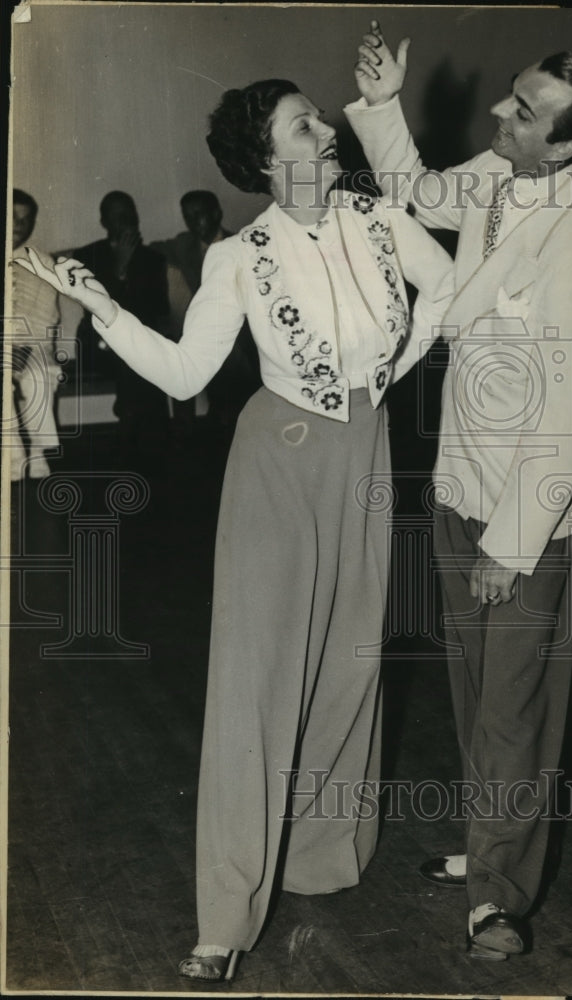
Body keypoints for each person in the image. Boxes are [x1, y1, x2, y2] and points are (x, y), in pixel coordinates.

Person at [17, 79, 454, 982]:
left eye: (320, 116)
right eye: (306, 123)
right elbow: (183, 376)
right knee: (254, 684)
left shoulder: (378, 219)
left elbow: (449, 286)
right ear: (268, 158)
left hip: (365, 456)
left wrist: (389, 376)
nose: (327, 126)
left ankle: (321, 858)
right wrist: (99, 303)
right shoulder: (240, 255)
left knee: (352, 661)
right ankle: (225, 911)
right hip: (277, 463)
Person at [347, 22, 572, 960]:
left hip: (523, 518)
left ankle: (500, 897)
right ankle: (484, 843)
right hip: (459, 480)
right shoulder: (503, 173)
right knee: (472, 693)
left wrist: (512, 546)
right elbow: (416, 195)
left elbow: (571, 422)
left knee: (514, 708)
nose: (504, 111)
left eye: (527, 113)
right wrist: (382, 106)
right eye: (513, 93)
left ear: (569, 147)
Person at [151, 190, 260, 435]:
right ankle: (197, 433)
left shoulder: (241, 245)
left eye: (198, 215)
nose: (193, 222)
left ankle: (228, 419)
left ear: (216, 214)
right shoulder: (183, 245)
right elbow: (149, 251)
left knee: (235, 359)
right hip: (202, 336)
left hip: (239, 334)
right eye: (188, 216)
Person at [73, 191, 171, 462]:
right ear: (104, 222)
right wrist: (119, 269)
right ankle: (137, 435)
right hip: (98, 345)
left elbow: (157, 311)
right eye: (118, 216)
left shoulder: (153, 260)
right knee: (135, 357)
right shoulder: (86, 256)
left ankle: (139, 437)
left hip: (137, 344)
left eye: (130, 213)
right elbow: (96, 310)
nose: (126, 220)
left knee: (141, 353)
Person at [9, 189, 61, 480]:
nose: (18, 225)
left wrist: (20, 350)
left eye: (25, 220)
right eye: (13, 216)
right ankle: (14, 456)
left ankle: (38, 452)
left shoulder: (43, 262)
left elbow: (46, 318)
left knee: (39, 375)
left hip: (34, 344)